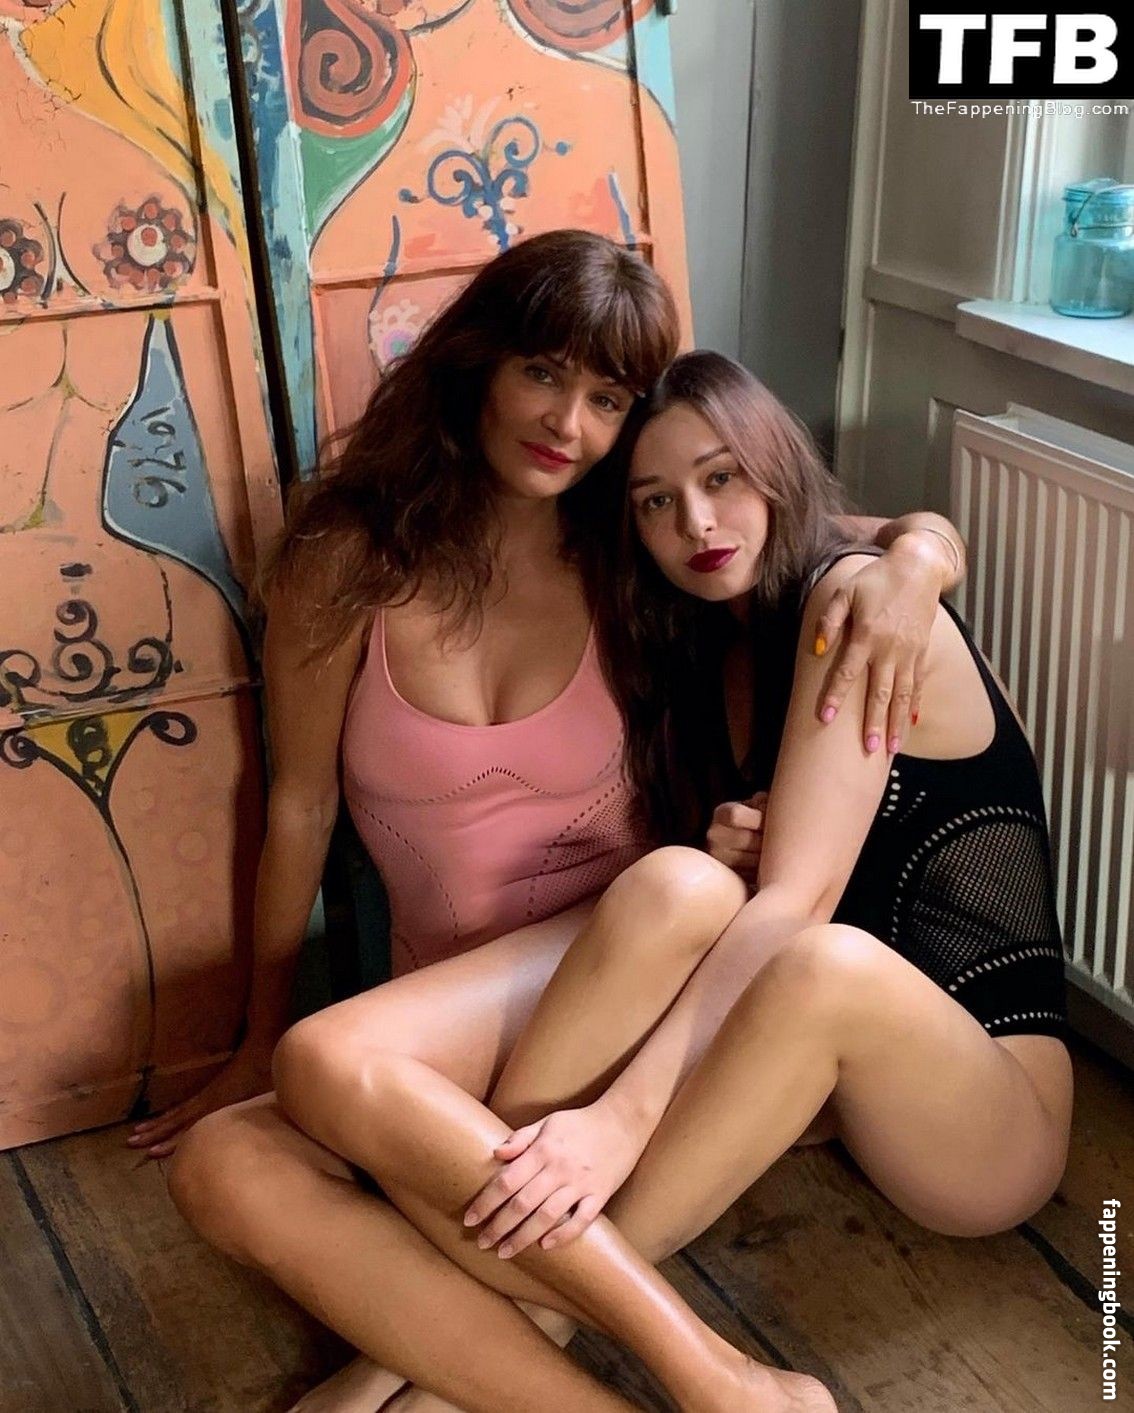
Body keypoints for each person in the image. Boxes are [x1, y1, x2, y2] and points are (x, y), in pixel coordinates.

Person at [163, 235, 967, 1413]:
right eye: (544, 374)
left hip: (634, 979)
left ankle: (689, 1374)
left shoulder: (633, 547)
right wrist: (250, 1033)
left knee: (655, 901)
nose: (569, 425)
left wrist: (923, 562)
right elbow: (298, 805)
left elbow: (842, 529)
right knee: (220, 1163)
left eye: (608, 399)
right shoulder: (347, 560)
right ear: (481, 365)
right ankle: (712, 1391)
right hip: (448, 1018)